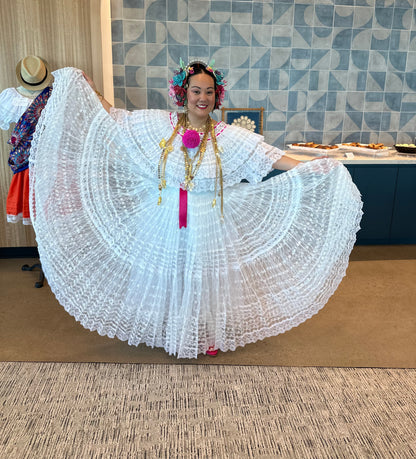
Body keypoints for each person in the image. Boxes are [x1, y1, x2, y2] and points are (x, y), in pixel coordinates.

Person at [28, 60, 362, 359]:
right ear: (182, 92)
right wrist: (89, 89)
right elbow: (117, 119)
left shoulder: (228, 135)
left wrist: (309, 165)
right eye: (196, 90)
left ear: (217, 97)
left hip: (209, 220)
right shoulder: (160, 124)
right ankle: (171, 330)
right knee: (170, 273)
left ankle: (209, 335)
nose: (202, 97)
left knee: (205, 278)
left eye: (209, 92)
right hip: (164, 216)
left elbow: (268, 156)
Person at [0, 56, 54, 225]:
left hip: (50, 156)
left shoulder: (54, 95)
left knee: (51, 203)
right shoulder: (10, 97)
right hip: (26, 159)